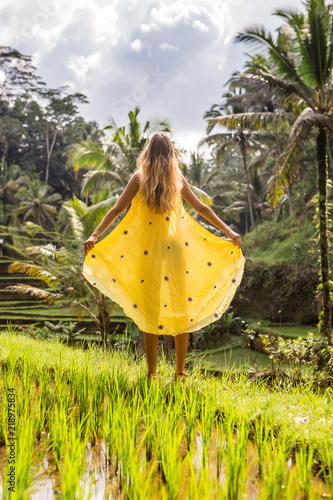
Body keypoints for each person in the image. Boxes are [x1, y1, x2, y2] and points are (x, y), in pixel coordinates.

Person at [83, 132, 245, 382]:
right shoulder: (177, 179)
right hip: (177, 249)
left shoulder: (138, 179)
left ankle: (152, 374)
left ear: (147, 153)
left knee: (150, 309)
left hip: (150, 252)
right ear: (170, 154)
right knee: (182, 307)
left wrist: (95, 235)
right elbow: (202, 208)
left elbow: (116, 210)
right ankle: (180, 373)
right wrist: (228, 230)